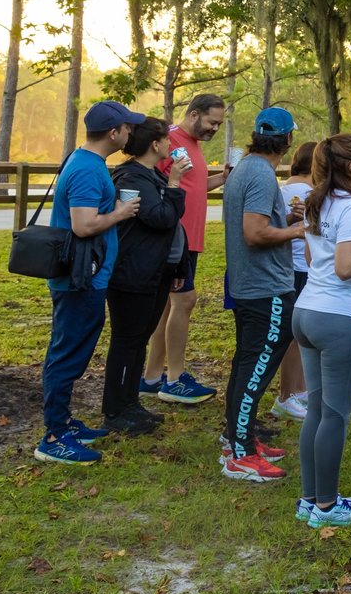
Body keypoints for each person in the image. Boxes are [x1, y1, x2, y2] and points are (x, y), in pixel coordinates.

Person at [34, 101, 144, 464]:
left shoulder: (89, 163)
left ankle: (63, 422)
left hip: (89, 277)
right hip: (79, 279)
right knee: (67, 355)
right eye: (128, 128)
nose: (131, 133)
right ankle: (54, 436)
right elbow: (82, 226)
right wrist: (121, 213)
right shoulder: (85, 169)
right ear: (114, 133)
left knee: (72, 352)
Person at [291, 134, 351, 527]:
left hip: (309, 310)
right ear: (350, 166)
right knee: (334, 415)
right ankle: (328, 508)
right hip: (340, 318)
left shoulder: (319, 200)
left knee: (318, 409)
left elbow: (315, 256)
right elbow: (346, 268)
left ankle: (311, 499)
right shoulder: (350, 208)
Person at [218, 106, 308, 481]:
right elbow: (254, 234)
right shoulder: (260, 173)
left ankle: (239, 437)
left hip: (253, 285)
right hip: (264, 289)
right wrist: (297, 232)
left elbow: (258, 224)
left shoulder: (249, 167)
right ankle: (239, 455)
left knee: (246, 366)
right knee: (254, 371)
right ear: (288, 139)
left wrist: (285, 221)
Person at [104, 118, 191, 436]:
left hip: (156, 272)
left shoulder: (151, 175)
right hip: (133, 274)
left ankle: (130, 404)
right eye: (166, 140)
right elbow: (162, 218)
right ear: (155, 145)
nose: (171, 145)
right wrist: (175, 183)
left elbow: (172, 230)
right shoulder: (130, 178)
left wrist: (179, 268)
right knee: (127, 341)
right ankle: (116, 411)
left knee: (138, 339)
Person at [144, 93, 227, 405]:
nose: (215, 128)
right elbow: (156, 183)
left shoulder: (194, 146)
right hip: (173, 238)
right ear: (193, 114)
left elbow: (193, 186)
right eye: (212, 121)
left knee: (167, 306)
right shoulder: (169, 141)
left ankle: (152, 377)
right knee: (185, 300)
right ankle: (175, 379)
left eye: (219, 123)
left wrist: (222, 177)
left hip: (190, 239)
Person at [273, 140, 316, 422]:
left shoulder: (286, 187)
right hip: (300, 268)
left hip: (292, 266)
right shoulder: (308, 192)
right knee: (295, 336)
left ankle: (297, 391)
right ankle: (287, 395)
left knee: (298, 335)